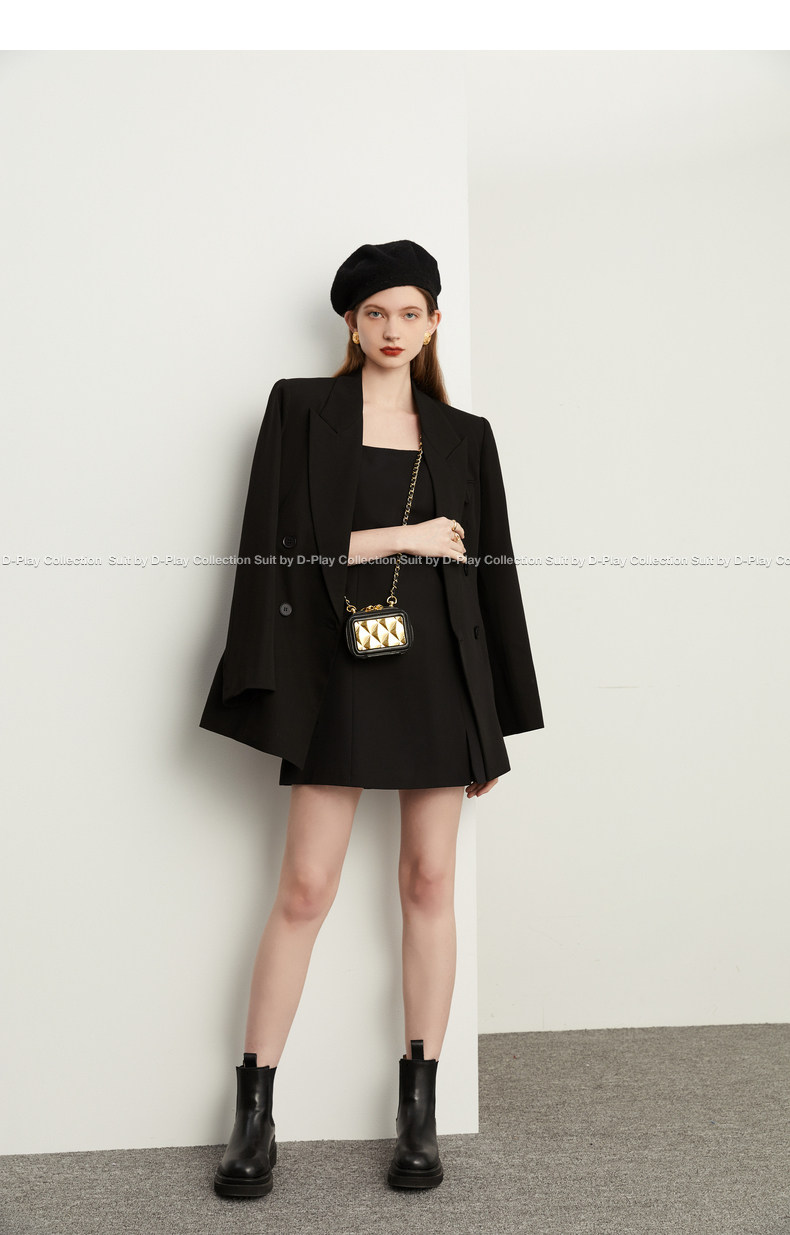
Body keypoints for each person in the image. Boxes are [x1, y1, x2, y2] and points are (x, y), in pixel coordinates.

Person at [202, 239, 544, 1197]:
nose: (394, 329)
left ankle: (418, 1113)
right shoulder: (299, 409)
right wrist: (408, 535)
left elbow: (493, 578)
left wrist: (494, 719)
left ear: (434, 323)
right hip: (337, 672)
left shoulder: (466, 435)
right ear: (351, 324)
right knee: (306, 888)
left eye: (411, 312)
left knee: (429, 882)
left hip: (440, 675)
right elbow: (282, 548)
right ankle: (255, 1114)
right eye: (376, 313)